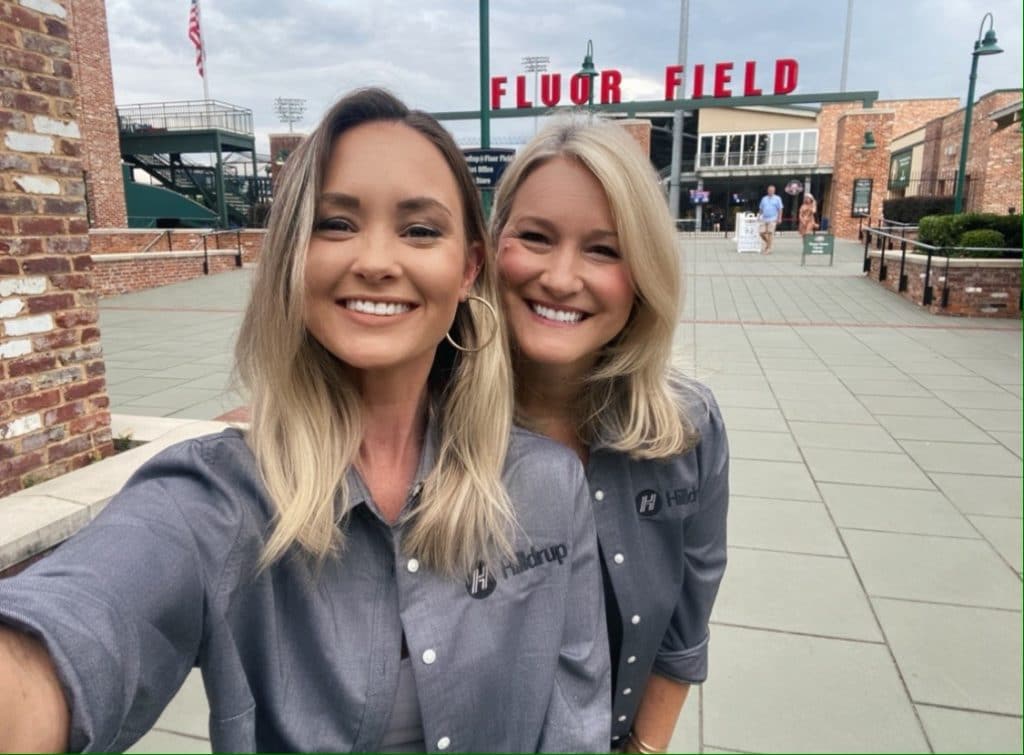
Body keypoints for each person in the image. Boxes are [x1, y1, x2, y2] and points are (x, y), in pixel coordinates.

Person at [0, 88, 610, 753]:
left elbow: (577, 719)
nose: (375, 261)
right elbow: (75, 626)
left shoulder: (549, 485)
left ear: (468, 268)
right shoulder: (214, 501)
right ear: (294, 252)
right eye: (336, 223)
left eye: (420, 229)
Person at [490, 118, 729, 753]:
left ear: (644, 270)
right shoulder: (421, 425)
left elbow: (685, 626)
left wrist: (645, 749)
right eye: (536, 237)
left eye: (603, 249)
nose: (562, 279)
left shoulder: (689, 428)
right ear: (491, 250)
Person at [758, 183, 784, 253]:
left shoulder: (777, 198)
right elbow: (761, 208)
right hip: (764, 218)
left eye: (772, 190)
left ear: (774, 191)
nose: (771, 191)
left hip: (773, 218)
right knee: (761, 233)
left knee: (770, 233)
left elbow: (780, 209)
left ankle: (768, 249)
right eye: (769, 190)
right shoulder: (764, 198)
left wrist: (779, 218)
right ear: (767, 191)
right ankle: (768, 244)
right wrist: (759, 216)